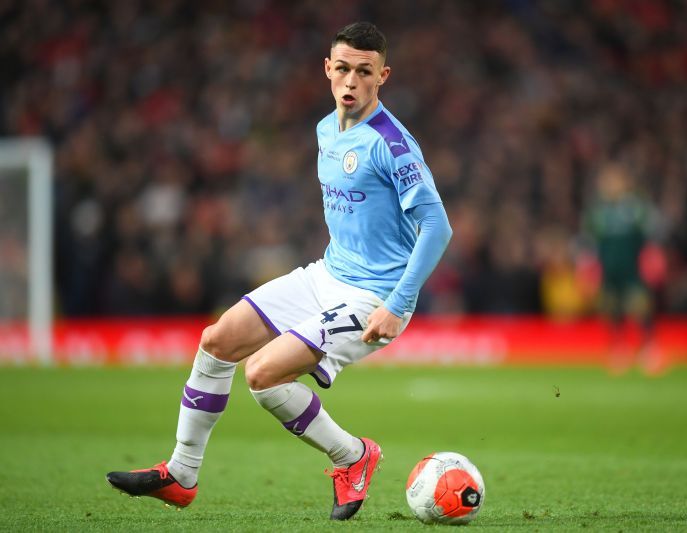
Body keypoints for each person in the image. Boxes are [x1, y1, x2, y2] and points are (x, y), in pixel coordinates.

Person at [106, 22, 452, 521]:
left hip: (372, 296)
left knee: (263, 374)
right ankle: (182, 473)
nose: (351, 81)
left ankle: (352, 456)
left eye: (364, 71)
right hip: (325, 274)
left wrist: (397, 304)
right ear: (327, 70)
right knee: (217, 340)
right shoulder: (325, 130)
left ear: (383, 76)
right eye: (343, 69)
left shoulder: (392, 146)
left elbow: (437, 228)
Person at [582, 162, 664, 373]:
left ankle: (649, 348)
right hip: (609, 269)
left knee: (640, 306)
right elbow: (589, 242)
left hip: (633, 268)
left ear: (624, 183)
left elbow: (654, 234)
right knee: (612, 308)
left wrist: (653, 257)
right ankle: (619, 350)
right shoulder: (598, 211)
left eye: (612, 180)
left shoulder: (636, 208)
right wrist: (589, 267)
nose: (608, 185)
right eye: (605, 181)